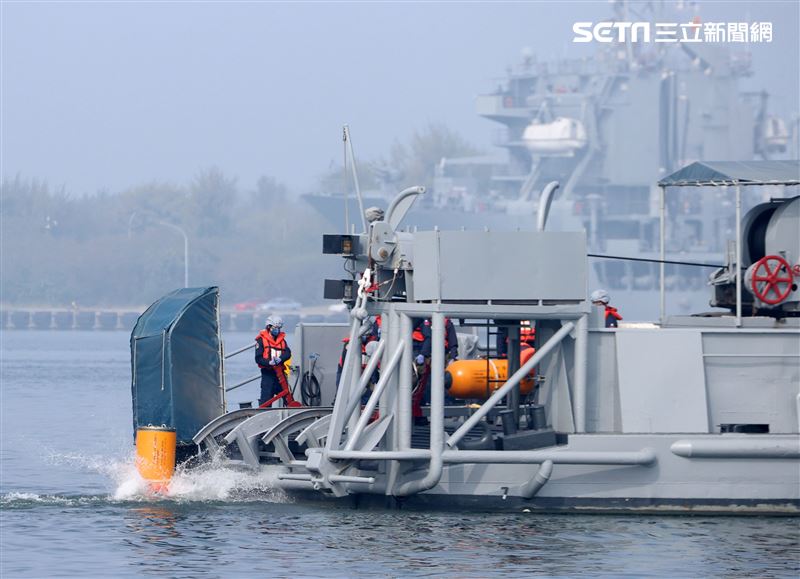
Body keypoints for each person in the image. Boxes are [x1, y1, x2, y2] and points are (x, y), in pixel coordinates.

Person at [411, 317, 458, 425]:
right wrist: (423, 354)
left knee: (443, 381)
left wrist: (453, 356)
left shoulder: (446, 323)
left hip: (441, 353)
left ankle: (446, 406)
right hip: (426, 355)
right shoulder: (422, 321)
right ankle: (424, 407)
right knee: (423, 383)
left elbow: (452, 340)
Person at [254, 316, 297, 406]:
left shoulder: (282, 340)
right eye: (275, 328)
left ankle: (291, 413)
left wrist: (280, 359)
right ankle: (264, 416)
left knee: (288, 397)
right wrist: (269, 362)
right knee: (266, 400)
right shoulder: (261, 341)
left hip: (280, 374)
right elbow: (258, 358)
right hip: (268, 374)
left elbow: (287, 353)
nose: (277, 330)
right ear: (269, 327)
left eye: (279, 328)